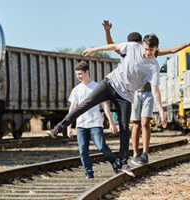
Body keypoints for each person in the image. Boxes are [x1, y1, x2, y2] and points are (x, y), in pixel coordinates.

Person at [47, 34, 167, 177]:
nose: (148, 53)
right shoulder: (133, 46)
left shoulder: (153, 66)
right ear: (143, 45)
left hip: (125, 96)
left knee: (124, 128)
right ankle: (57, 128)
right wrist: (94, 49)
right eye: (146, 49)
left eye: (151, 51)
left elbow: (155, 89)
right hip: (110, 84)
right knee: (85, 104)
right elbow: (113, 46)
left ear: (156, 49)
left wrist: (161, 111)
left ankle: (123, 163)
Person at [102, 20, 190, 165]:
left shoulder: (150, 53)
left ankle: (145, 153)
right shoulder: (128, 53)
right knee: (136, 124)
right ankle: (135, 154)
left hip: (148, 94)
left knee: (146, 122)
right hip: (133, 94)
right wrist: (107, 31)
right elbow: (112, 45)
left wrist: (187, 44)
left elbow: (171, 50)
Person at [66, 61, 119, 179]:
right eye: (77, 74)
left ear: (87, 72)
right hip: (81, 125)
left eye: (80, 74)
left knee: (101, 146)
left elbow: (105, 106)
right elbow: (72, 109)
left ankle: (114, 162)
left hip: (95, 123)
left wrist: (111, 123)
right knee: (83, 150)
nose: (78, 76)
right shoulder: (76, 90)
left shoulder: (97, 87)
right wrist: (69, 127)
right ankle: (88, 174)